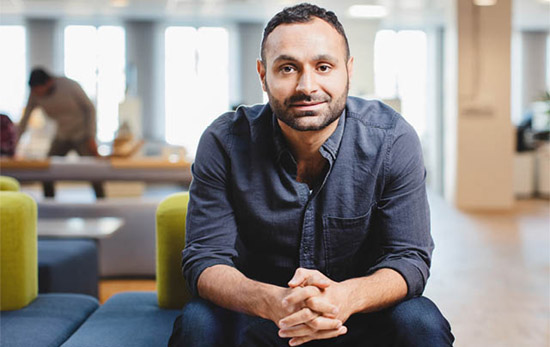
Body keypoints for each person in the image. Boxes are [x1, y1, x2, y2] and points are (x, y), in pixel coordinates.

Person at [169, 3, 454, 346]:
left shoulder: (392, 140)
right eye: (287, 68)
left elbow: (409, 258)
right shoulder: (224, 142)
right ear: (263, 75)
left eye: (323, 66)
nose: (307, 86)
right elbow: (205, 260)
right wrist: (274, 302)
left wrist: (346, 297)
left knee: (421, 321)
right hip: (260, 315)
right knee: (197, 323)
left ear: (348, 70)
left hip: (356, 316)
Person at [17, 67, 104, 198]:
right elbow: (25, 119)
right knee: (47, 170)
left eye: (39, 89)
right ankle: (49, 200)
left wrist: (91, 136)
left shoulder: (70, 86)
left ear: (48, 83)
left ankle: (101, 200)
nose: (37, 93)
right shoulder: (34, 93)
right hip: (62, 135)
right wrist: (14, 143)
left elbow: (90, 109)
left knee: (92, 171)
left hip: (82, 135)